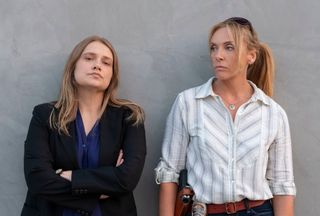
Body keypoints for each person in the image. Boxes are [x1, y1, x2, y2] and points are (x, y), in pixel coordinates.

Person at [155, 17, 296, 216]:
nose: (218, 55)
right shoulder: (188, 103)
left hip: (258, 211)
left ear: (251, 56)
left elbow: (282, 185)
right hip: (204, 211)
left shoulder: (273, 113)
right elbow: (169, 173)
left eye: (229, 47)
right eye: (214, 48)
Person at [21, 35, 146, 216]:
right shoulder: (45, 115)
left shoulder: (130, 117)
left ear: (112, 75)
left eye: (106, 63)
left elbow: (127, 178)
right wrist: (101, 189)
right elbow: (37, 178)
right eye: (89, 58)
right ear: (73, 67)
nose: (97, 65)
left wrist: (70, 177)